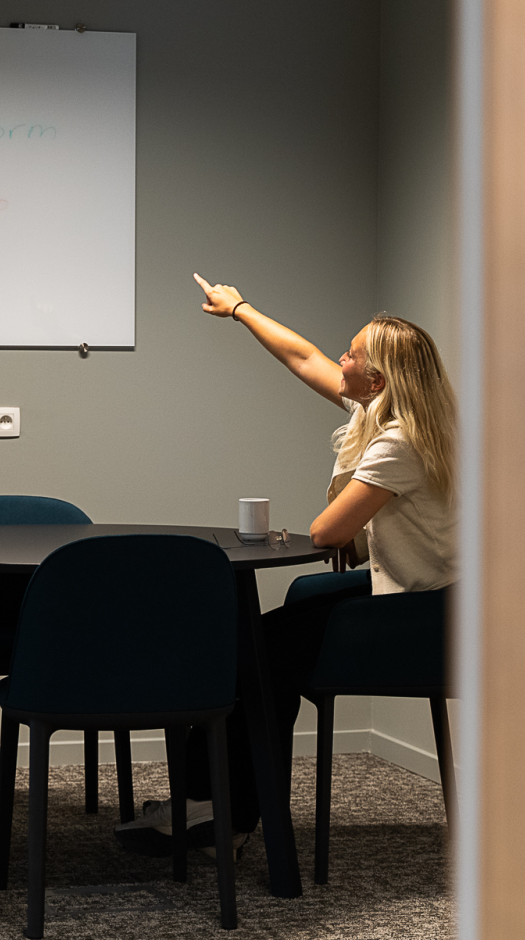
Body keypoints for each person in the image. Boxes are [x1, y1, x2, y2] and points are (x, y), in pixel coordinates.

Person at [117, 273, 457, 855]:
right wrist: (240, 309)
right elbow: (304, 357)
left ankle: (223, 810)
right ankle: (225, 804)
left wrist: (345, 500)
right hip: (419, 599)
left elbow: (328, 532)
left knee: (255, 653)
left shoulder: (398, 440)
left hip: (418, 616)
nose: (340, 358)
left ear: (377, 380)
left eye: (351, 354)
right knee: (261, 643)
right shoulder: (391, 415)